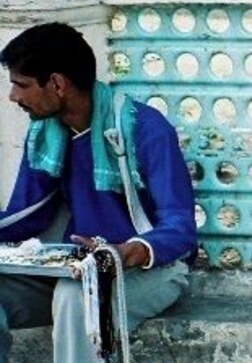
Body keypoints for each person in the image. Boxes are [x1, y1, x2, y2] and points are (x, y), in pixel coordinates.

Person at [0, 22, 197, 362]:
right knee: (76, 283)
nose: (13, 96)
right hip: (74, 266)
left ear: (57, 84)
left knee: (79, 294)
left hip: (150, 270)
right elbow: (25, 217)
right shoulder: (47, 133)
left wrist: (125, 253)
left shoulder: (145, 129)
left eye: (21, 85)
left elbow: (181, 229)